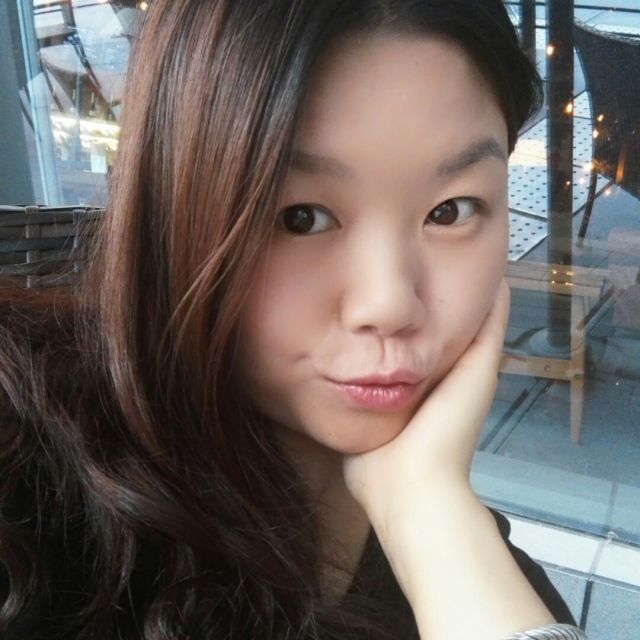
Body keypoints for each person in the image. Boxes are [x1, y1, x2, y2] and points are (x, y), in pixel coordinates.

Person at [0, 1, 589, 638]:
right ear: (170, 211)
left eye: (451, 210)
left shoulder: (484, 585)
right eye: (300, 218)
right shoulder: (28, 497)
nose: (389, 304)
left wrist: (425, 507)